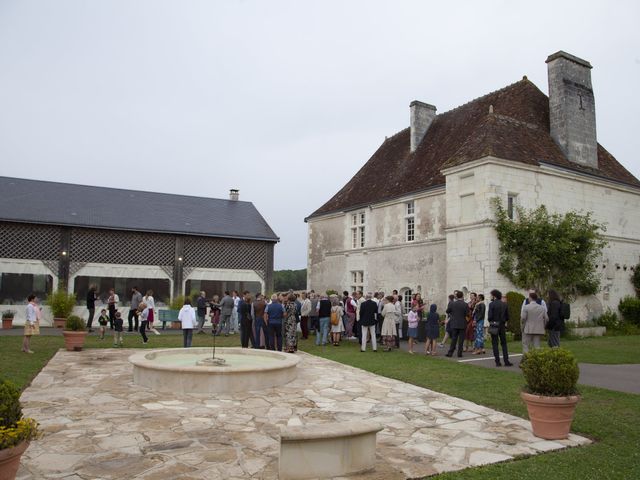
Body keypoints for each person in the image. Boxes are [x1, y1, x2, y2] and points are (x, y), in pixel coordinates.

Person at [488, 289, 513, 367]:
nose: (490, 296)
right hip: (502, 325)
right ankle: (506, 361)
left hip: (494, 324)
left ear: (494, 296)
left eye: (491, 295)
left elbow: (489, 317)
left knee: (495, 343)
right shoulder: (504, 304)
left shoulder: (491, 304)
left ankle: (497, 361)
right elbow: (507, 316)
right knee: (504, 343)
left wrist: (492, 321)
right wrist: (503, 320)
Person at [446, 291, 468, 358]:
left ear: (457, 296)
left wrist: (453, 313)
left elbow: (447, 311)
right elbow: (467, 313)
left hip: (454, 323)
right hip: (462, 323)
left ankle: (450, 353)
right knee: (461, 340)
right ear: (462, 296)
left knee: (454, 339)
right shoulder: (465, 304)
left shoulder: (453, 304)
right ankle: (459, 353)